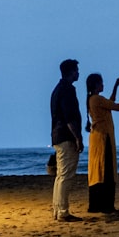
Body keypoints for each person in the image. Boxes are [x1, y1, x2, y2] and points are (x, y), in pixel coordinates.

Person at [85, 73, 119, 213]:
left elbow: (109, 104)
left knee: (98, 171)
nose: (103, 85)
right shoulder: (97, 99)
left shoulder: (93, 99)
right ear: (96, 84)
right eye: (101, 83)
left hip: (98, 138)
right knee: (106, 170)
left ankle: (97, 204)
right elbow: (118, 107)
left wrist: (115, 87)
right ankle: (106, 205)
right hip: (104, 138)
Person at [50, 59, 83, 221]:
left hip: (57, 135)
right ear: (70, 72)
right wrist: (77, 137)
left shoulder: (58, 89)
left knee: (60, 175)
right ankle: (63, 211)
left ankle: (57, 209)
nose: (78, 73)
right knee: (66, 175)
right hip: (65, 136)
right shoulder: (67, 90)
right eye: (76, 70)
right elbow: (69, 117)